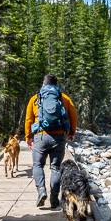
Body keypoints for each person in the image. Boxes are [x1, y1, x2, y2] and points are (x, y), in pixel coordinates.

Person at [25, 74, 78, 208]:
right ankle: (54, 199)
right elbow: (73, 116)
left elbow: (28, 119)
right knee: (55, 168)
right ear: (56, 84)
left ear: (44, 84)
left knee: (37, 165)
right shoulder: (64, 98)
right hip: (59, 137)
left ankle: (41, 191)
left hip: (40, 136)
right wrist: (71, 132)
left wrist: (28, 137)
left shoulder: (35, 99)